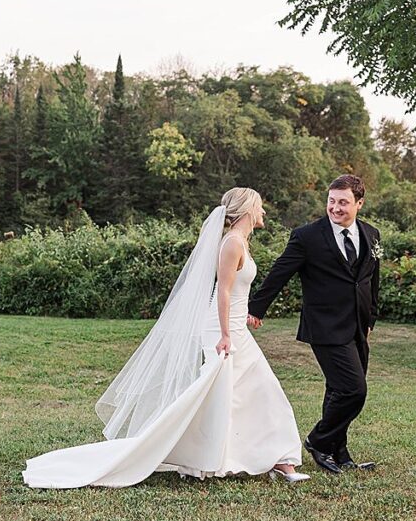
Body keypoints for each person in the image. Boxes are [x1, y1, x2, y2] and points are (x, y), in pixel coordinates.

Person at [22, 187, 309, 489]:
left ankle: (272, 459)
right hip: (224, 330)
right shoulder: (233, 244)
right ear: (249, 209)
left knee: (244, 392)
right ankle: (251, 458)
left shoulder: (241, 243)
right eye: (261, 207)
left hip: (235, 326)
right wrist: (225, 334)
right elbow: (222, 291)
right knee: (244, 390)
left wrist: (243, 318)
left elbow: (236, 292)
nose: (264, 212)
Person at [248, 174, 381, 474]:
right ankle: (318, 441)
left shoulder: (371, 234)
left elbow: (373, 280)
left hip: (359, 325)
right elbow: (280, 272)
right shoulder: (307, 236)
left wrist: (370, 316)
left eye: (343, 202)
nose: (335, 208)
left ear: (359, 203)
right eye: (332, 201)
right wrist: (256, 307)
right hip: (325, 325)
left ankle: (339, 452)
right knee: (353, 390)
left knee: (338, 390)